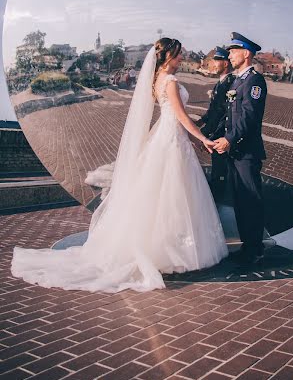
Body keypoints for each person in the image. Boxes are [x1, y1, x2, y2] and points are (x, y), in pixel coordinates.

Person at [11, 38, 228, 293]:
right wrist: (203, 138)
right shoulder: (170, 82)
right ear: (168, 56)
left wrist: (192, 139)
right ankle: (171, 253)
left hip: (169, 137)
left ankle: (168, 248)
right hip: (171, 140)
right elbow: (180, 116)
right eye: (179, 55)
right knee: (173, 194)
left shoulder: (158, 80)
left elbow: (176, 118)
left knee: (162, 195)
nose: (182, 58)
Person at [213, 32, 273, 265]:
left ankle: (255, 249)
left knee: (251, 201)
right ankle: (248, 245)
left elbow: (248, 117)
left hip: (246, 152)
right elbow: (229, 116)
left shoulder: (254, 81)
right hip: (235, 152)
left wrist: (229, 139)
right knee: (240, 200)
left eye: (233, 50)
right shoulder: (237, 81)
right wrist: (215, 137)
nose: (229, 54)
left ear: (246, 53)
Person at [196, 47, 235, 202]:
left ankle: (216, 202)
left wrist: (207, 134)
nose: (213, 64)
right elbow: (214, 109)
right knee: (218, 167)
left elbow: (223, 114)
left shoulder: (230, 83)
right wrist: (201, 120)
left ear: (225, 63)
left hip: (221, 135)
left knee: (219, 170)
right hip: (216, 132)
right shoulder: (221, 82)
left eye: (216, 61)